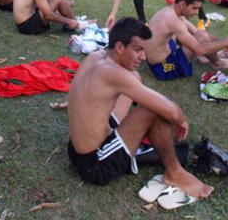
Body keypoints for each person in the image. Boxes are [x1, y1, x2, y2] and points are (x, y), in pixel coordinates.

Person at [67, 17, 213, 202]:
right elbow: (172, 112)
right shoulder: (114, 74)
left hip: (75, 148)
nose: (143, 57)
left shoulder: (95, 57)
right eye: (137, 50)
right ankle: (175, 173)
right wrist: (181, 120)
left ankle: (140, 135)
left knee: (135, 78)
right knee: (152, 111)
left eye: (144, 50)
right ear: (119, 47)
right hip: (95, 163)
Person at [146, 0, 228, 81]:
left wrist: (226, 42)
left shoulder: (172, 11)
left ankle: (209, 56)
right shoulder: (172, 20)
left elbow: (197, 32)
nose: (197, 12)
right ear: (182, 4)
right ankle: (218, 63)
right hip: (163, 67)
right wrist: (227, 42)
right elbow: (199, 49)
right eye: (194, 8)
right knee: (200, 42)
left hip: (166, 49)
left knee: (201, 36)